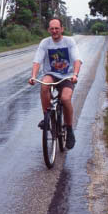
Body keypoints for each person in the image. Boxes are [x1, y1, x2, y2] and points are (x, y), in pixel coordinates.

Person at [29, 18, 82, 150]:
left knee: (65, 98)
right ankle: (47, 118)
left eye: (56, 28)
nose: (54, 31)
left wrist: (75, 74)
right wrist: (34, 76)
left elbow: (77, 60)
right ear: (48, 30)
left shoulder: (69, 41)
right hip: (51, 74)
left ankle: (69, 130)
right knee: (44, 86)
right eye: (52, 28)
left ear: (62, 29)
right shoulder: (45, 43)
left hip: (67, 76)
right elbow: (37, 61)